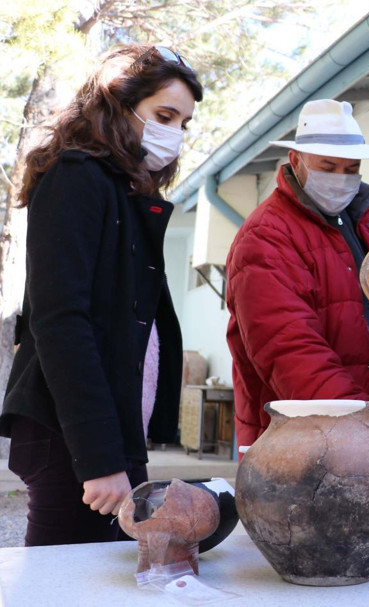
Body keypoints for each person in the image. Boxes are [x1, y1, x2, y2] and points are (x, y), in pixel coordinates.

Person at [0, 44, 202, 546]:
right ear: (117, 104)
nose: (174, 133)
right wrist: (100, 459)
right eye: (164, 115)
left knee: (100, 578)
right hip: (73, 436)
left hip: (109, 427)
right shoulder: (76, 176)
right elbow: (61, 321)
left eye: (183, 122)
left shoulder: (125, 191)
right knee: (63, 583)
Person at [226, 99, 369, 451]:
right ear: (296, 160)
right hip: (308, 448)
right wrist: (362, 430)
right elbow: (289, 349)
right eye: (328, 167)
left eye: (351, 168)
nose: (341, 180)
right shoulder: (267, 235)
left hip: (368, 439)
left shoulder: (355, 226)